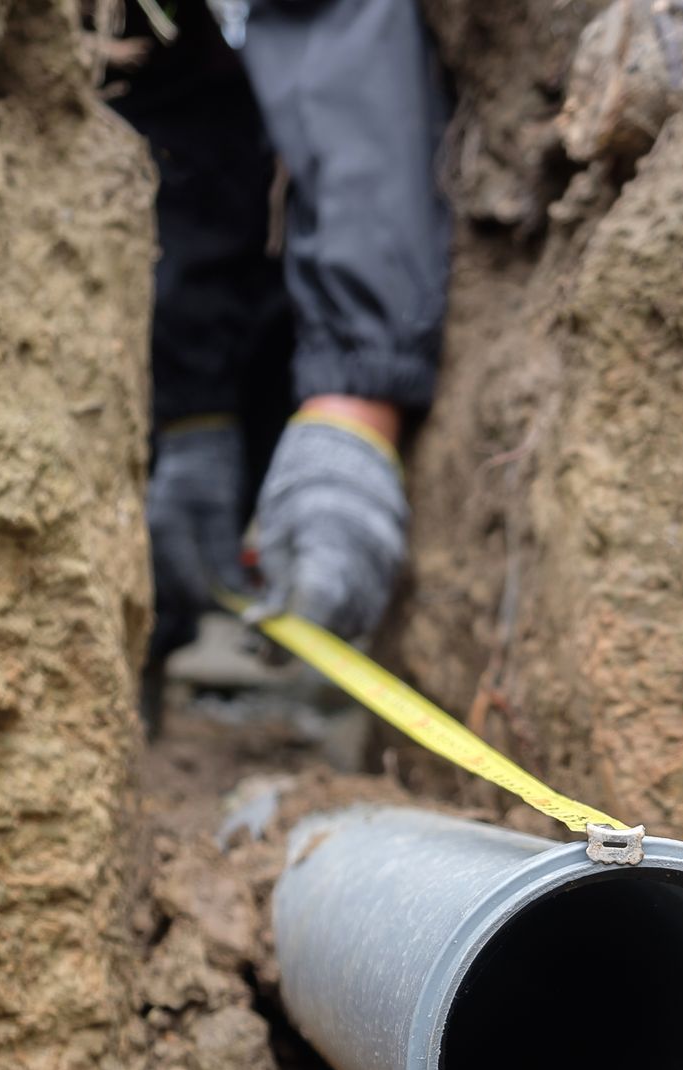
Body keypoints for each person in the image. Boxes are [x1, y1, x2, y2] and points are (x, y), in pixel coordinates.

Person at [97, 0, 452, 731]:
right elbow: (174, 121)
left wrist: (358, 402)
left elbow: (344, 46)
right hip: (200, 305)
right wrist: (190, 413)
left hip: (320, 303)